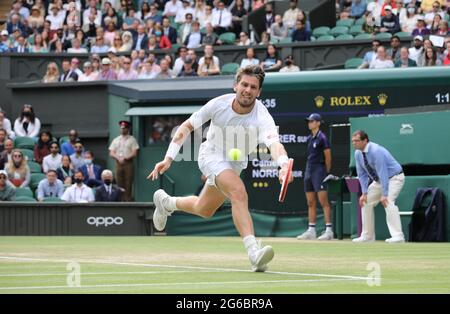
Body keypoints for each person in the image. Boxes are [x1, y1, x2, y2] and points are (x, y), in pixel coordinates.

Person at [148, 65, 293, 272]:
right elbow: (187, 126)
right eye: (244, 84)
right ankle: (254, 252)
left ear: (259, 92)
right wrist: (169, 157)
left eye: (253, 87)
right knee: (238, 191)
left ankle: (166, 203)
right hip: (211, 155)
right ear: (236, 85)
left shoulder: (263, 117)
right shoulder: (218, 104)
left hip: (235, 163)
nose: (247, 90)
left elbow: (275, 145)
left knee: (204, 209)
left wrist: (283, 164)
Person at [352, 130, 405, 243]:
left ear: (365, 140)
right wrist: (364, 193)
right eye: (353, 141)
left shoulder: (376, 151)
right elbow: (362, 174)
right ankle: (367, 236)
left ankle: (398, 236)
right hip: (379, 181)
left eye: (357, 141)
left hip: (394, 178)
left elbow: (383, 172)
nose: (354, 143)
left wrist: (384, 194)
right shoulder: (357, 153)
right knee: (365, 201)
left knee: (388, 201)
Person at [297, 114, 333, 240]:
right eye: (309, 121)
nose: (309, 123)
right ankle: (311, 230)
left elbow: (328, 156)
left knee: (323, 201)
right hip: (309, 170)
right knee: (310, 202)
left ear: (318, 123)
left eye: (312, 121)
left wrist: (325, 171)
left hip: (319, 170)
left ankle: (329, 230)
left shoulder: (322, 137)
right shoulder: (309, 138)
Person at [109, 120, 139, 201]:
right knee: (119, 181)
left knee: (128, 182)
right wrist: (118, 158)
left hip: (128, 163)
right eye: (121, 128)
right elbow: (111, 152)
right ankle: (120, 199)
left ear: (128, 129)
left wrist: (126, 158)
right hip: (118, 163)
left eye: (124, 128)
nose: (122, 130)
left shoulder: (132, 139)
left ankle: (128, 199)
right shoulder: (116, 139)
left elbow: (134, 152)